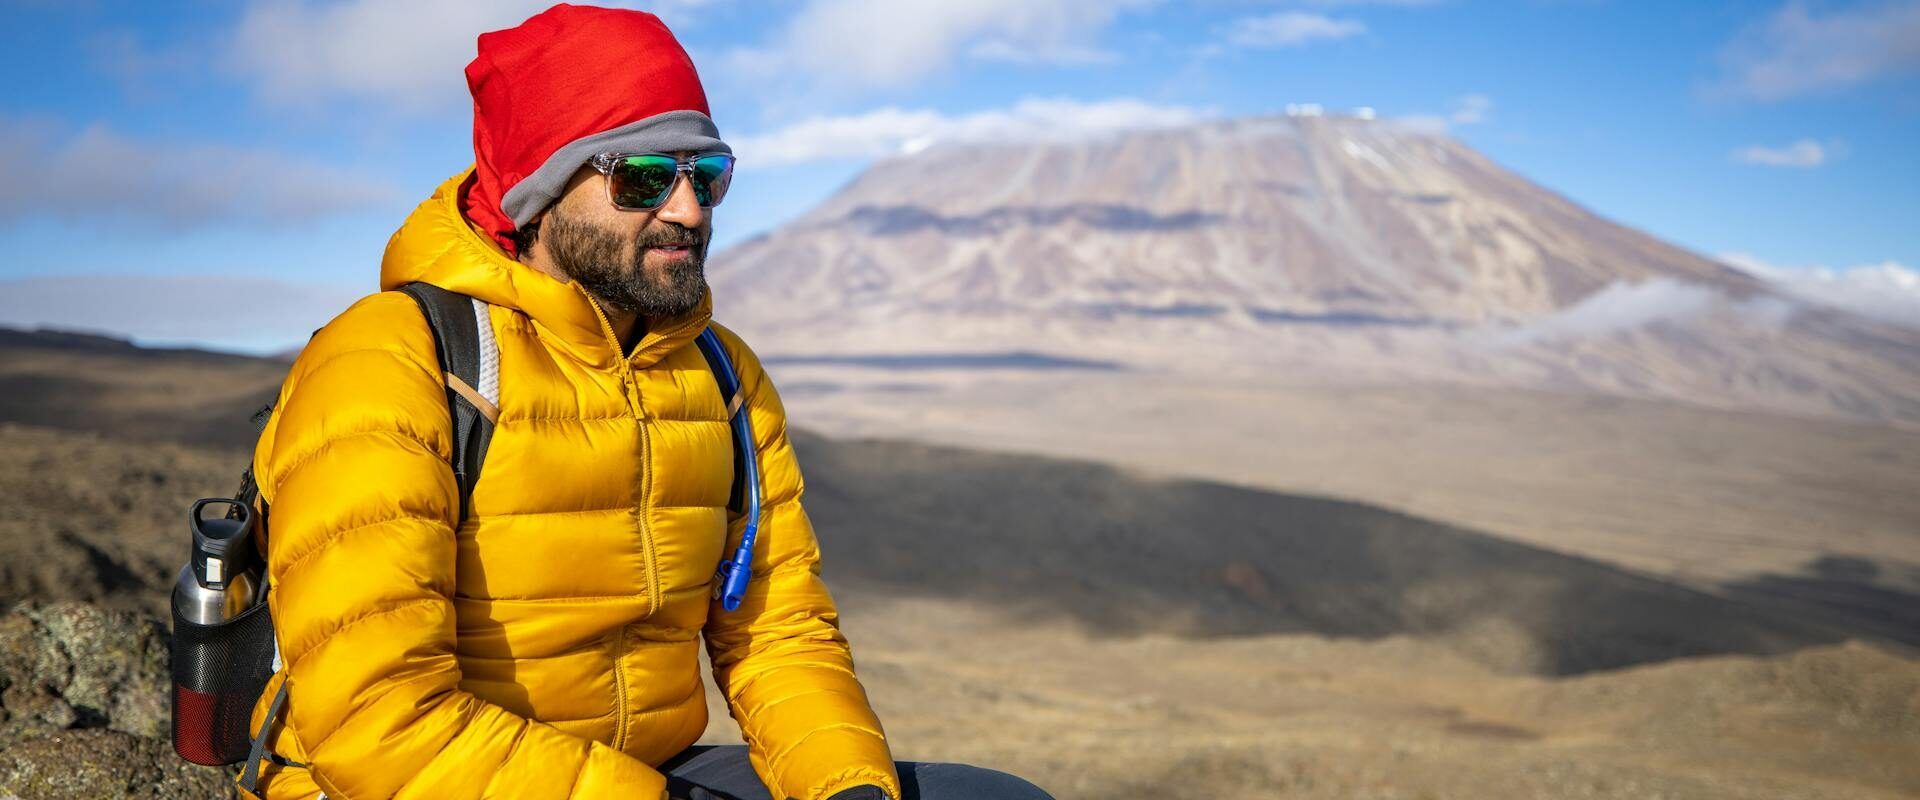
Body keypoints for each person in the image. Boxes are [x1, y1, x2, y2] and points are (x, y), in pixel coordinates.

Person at [242, 5, 1052, 800]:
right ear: (538, 192)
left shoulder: (721, 374)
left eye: (707, 175)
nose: (689, 210)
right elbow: (376, 722)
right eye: (643, 176)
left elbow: (776, 633)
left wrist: (849, 791)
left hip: (640, 771)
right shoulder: (396, 358)